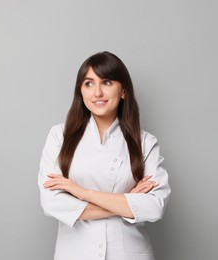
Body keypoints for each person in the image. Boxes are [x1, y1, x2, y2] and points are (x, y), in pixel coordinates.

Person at [38, 51, 171, 260]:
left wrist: (83, 194)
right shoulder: (59, 136)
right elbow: (52, 203)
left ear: (123, 91)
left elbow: (155, 207)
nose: (97, 92)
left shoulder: (145, 142)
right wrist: (128, 202)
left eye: (107, 82)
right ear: (80, 92)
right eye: (88, 84)